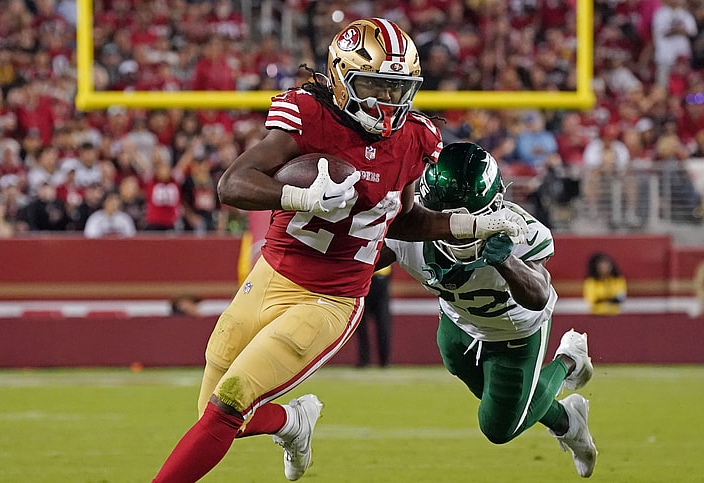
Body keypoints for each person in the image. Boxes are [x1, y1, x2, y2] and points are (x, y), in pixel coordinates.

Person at [151, 19, 526, 483]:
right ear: (343, 77)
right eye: (375, 85)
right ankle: (293, 422)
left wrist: (468, 223)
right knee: (215, 412)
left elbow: (403, 219)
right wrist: (298, 197)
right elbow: (232, 184)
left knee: (229, 404)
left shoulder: (415, 137)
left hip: (330, 298)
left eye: (398, 88)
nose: (388, 101)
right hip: (271, 274)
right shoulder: (309, 114)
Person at [378, 142, 597, 478]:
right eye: (447, 216)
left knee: (497, 427)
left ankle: (568, 360)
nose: (459, 227)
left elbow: (539, 295)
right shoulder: (408, 229)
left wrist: (505, 260)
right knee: (468, 373)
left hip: (515, 333)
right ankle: (567, 421)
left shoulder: (519, 230)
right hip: (456, 323)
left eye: (468, 216)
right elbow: (358, 262)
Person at [356, 266, 393, 368]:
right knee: (361, 323)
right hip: (364, 277)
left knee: (383, 323)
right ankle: (364, 360)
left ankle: (384, 360)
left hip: (380, 279)